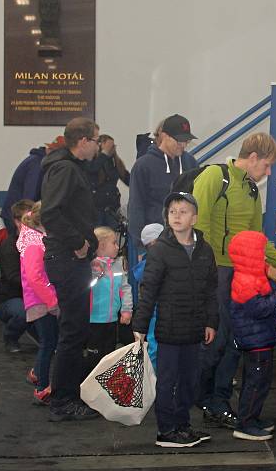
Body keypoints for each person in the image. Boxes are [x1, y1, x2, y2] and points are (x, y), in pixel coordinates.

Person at [193, 132, 276, 429]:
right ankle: (204, 398)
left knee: (234, 343)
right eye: (266, 165)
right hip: (215, 272)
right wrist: (206, 270)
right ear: (252, 158)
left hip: (240, 274)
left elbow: (258, 240)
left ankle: (217, 401)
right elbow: (197, 225)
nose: (268, 172)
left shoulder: (251, 190)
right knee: (217, 340)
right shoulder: (215, 176)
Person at [132, 192, 218, 449]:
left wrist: (211, 321)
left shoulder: (204, 250)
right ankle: (166, 430)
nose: (177, 216)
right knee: (168, 381)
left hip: (194, 329)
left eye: (183, 211)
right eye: (172, 211)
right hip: (168, 329)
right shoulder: (160, 250)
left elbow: (211, 290)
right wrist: (140, 325)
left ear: (195, 218)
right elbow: (148, 290)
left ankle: (182, 425)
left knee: (189, 380)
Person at [40, 116, 101, 422]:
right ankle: (63, 401)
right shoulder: (65, 169)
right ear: (83, 141)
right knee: (73, 332)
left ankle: (65, 395)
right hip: (67, 258)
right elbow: (50, 213)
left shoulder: (67, 167)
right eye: (96, 140)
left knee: (74, 331)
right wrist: (78, 241)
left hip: (70, 258)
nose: (99, 146)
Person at [228, 230, 276, 441]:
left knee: (257, 382)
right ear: (249, 255)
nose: (264, 257)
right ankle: (245, 424)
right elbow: (261, 309)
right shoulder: (245, 281)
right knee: (255, 383)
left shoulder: (250, 274)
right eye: (260, 253)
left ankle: (252, 418)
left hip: (259, 339)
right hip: (256, 341)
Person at [128, 114, 198, 259]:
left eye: (187, 141)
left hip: (185, 241)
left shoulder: (190, 163)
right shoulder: (143, 165)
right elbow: (136, 206)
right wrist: (141, 246)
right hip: (155, 244)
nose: (183, 145)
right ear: (164, 136)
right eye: (179, 140)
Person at [17, 201, 59, 406]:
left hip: (39, 298)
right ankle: (42, 388)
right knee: (48, 343)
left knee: (48, 342)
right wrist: (52, 301)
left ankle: (37, 373)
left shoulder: (34, 239)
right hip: (41, 300)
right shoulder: (35, 243)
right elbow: (35, 277)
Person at [86, 226, 133, 370]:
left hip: (112, 320)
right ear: (102, 245)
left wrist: (126, 310)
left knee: (109, 355)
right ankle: (87, 386)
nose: (117, 246)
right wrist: (96, 274)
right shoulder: (90, 266)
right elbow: (86, 288)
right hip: (93, 320)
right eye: (114, 243)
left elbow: (125, 288)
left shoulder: (119, 264)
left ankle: (103, 388)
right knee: (94, 357)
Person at [1, 137, 64, 233]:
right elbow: (29, 199)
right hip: (18, 217)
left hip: (16, 215)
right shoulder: (37, 165)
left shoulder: (36, 161)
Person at [0, 199, 35, 352]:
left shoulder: (38, 241)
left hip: (32, 294)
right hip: (11, 298)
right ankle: (10, 336)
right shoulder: (9, 246)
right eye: (29, 220)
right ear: (17, 222)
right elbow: (13, 277)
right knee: (22, 312)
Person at [132, 223, 165, 370]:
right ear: (154, 243)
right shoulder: (152, 266)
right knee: (155, 348)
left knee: (155, 348)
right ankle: (154, 380)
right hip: (156, 314)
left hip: (155, 314)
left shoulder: (145, 265)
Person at [87, 134, 130, 230]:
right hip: (96, 209)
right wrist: (104, 153)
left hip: (112, 208)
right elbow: (92, 170)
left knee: (112, 235)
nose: (111, 149)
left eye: (112, 146)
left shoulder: (116, 163)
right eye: (108, 146)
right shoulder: (92, 162)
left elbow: (129, 179)